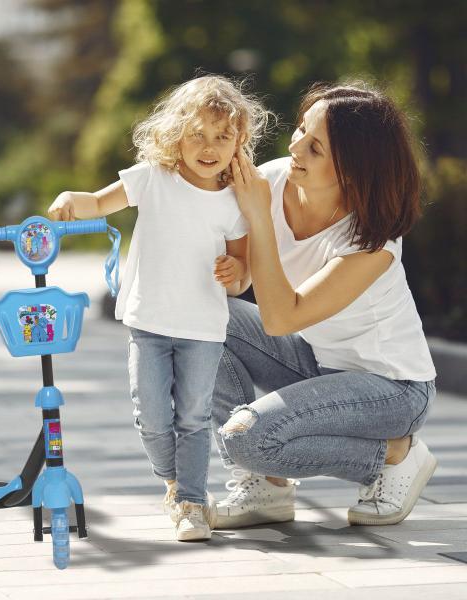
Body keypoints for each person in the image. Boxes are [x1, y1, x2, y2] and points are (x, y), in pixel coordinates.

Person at [48, 75, 273, 540]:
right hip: (149, 322)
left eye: (222, 137)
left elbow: (244, 271)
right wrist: (73, 199)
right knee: (152, 417)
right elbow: (97, 203)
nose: (209, 146)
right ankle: (174, 483)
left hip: (204, 329)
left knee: (193, 417)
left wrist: (237, 273)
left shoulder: (235, 202)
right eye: (198, 134)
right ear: (176, 135)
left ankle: (191, 501)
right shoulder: (153, 178)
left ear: (238, 144)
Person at [211, 81, 437, 529]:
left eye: (314, 147)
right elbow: (246, 280)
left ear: (352, 169)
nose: (295, 146)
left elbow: (280, 317)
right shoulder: (275, 180)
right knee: (205, 319)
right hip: (315, 361)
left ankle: (396, 453)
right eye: (300, 131)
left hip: (392, 389)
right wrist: (235, 273)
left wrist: (257, 216)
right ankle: (264, 488)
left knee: (248, 437)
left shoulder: (372, 243)